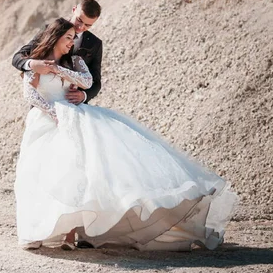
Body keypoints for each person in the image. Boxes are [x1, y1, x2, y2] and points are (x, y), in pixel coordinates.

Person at [14, 18, 238, 251]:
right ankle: (37, 230)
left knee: (79, 173)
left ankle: (71, 234)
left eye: (73, 38)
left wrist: (59, 70)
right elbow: (30, 94)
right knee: (40, 175)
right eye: (68, 38)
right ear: (56, 37)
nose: (72, 42)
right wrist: (54, 113)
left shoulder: (75, 60)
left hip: (76, 116)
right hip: (47, 119)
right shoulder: (36, 62)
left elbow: (87, 81)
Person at [13, 0, 102, 105]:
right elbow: (18, 56)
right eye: (79, 20)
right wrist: (32, 64)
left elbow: (96, 81)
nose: (81, 27)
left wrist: (84, 95)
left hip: (76, 108)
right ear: (74, 9)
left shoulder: (95, 43)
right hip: (45, 103)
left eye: (88, 25)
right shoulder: (50, 30)